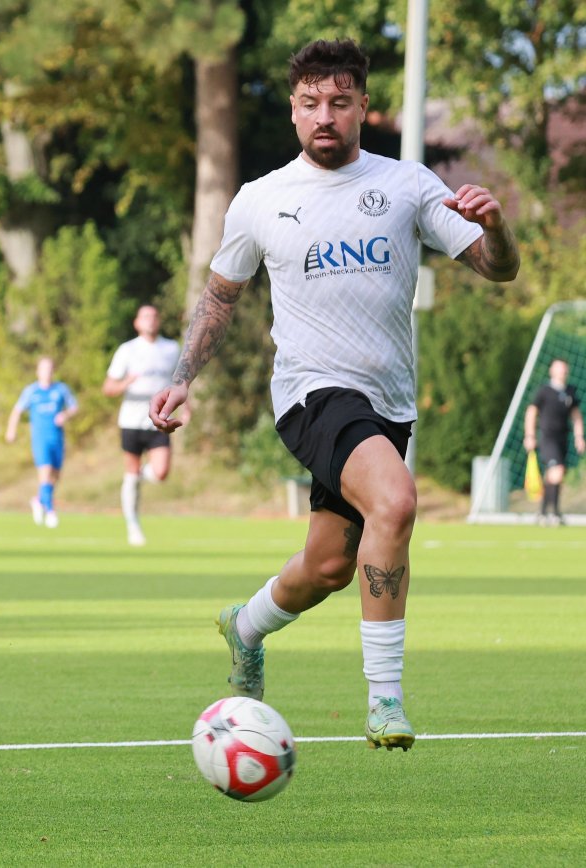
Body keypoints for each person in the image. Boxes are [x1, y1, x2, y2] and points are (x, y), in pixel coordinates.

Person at [149, 39, 519, 752]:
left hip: (387, 404)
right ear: (292, 112)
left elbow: (495, 269)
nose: (326, 115)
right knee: (398, 500)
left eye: (340, 102)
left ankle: (246, 625)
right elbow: (220, 300)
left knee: (326, 566)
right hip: (310, 395)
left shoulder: (408, 185)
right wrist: (179, 380)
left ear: (362, 108)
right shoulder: (261, 200)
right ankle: (385, 702)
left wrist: (496, 228)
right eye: (311, 103)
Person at [103, 304, 186, 546]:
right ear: (137, 323)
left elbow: (179, 382)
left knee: (160, 472)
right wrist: (125, 383)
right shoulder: (127, 350)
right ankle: (133, 526)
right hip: (131, 421)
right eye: (145, 317)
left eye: (154, 316)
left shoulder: (171, 348)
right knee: (131, 472)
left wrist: (186, 408)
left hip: (158, 421)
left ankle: (137, 479)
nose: (151, 320)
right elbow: (108, 388)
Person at [5, 356, 78, 528]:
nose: (47, 372)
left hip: (57, 438)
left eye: (50, 368)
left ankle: (38, 500)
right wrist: (11, 430)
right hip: (40, 438)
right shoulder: (31, 391)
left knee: (55, 476)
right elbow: (17, 410)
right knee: (45, 474)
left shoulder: (61, 389)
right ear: (38, 371)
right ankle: (50, 511)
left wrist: (65, 415)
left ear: (53, 371)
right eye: (43, 368)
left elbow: (74, 407)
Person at [523, 359, 585, 525]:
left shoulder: (570, 392)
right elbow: (531, 412)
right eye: (559, 369)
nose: (562, 372)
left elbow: (576, 416)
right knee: (557, 471)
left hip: (563, 438)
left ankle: (543, 512)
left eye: (564, 369)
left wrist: (579, 437)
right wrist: (529, 435)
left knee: (554, 475)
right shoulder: (544, 391)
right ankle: (555, 513)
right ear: (552, 371)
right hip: (547, 437)